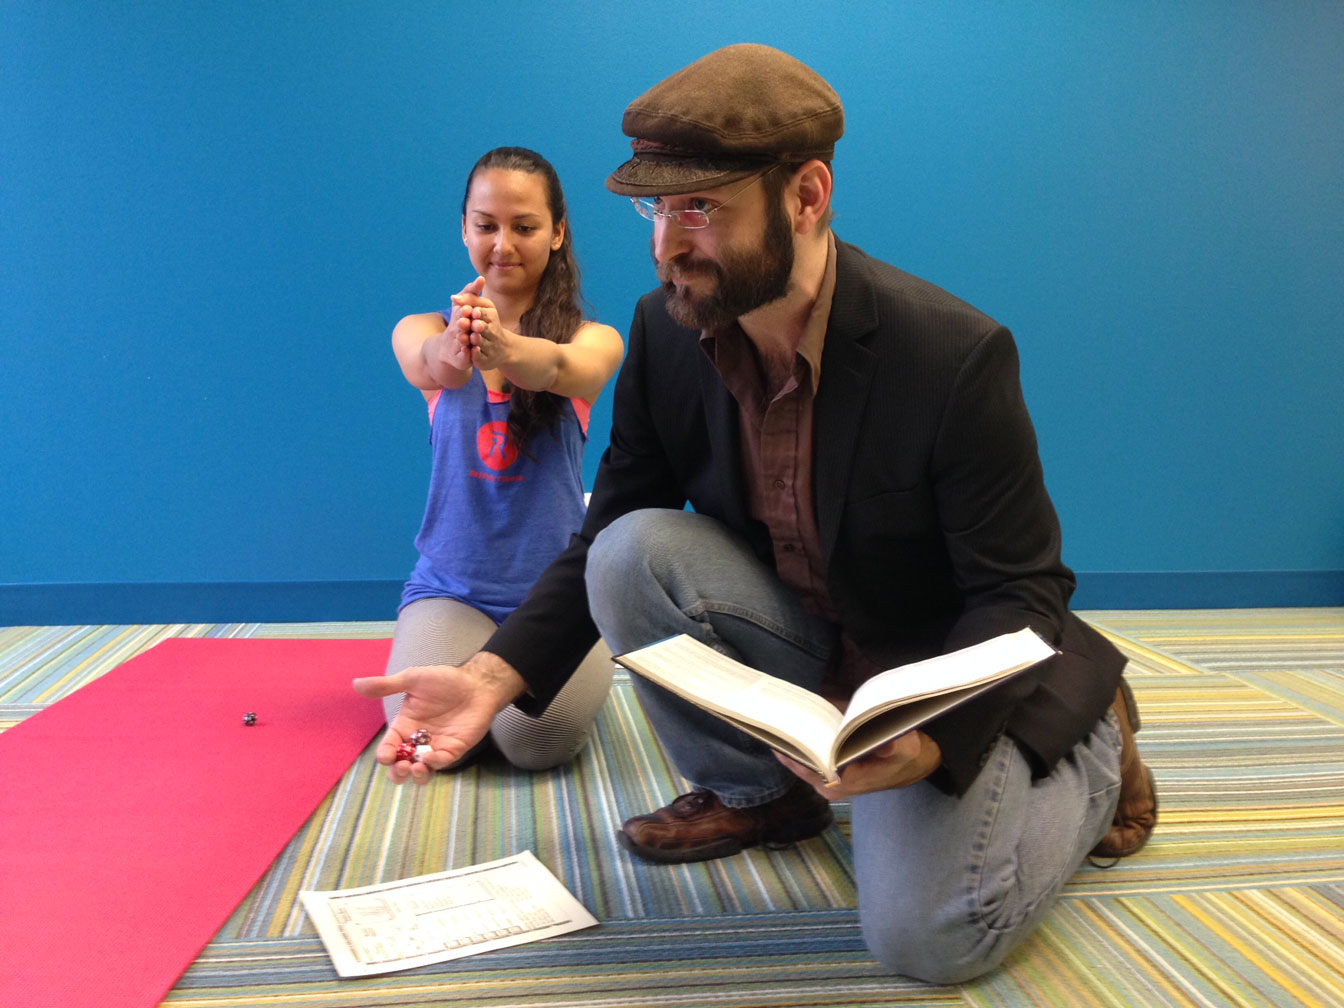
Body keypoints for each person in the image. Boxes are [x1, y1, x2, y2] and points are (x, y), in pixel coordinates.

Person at [355, 48, 1156, 983]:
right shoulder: (668, 331)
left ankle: (1097, 743)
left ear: (806, 196)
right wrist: (490, 678)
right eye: (657, 210)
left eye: (700, 208)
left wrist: (931, 741)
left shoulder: (951, 355)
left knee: (930, 941)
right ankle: (762, 794)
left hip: (926, 670)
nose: (667, 244)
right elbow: (610, 526)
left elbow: (1022, 590)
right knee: (630, 550)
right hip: (807, 632)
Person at [371, 146, 623, 772]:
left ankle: (540, 682)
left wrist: (503, 347)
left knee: (533, 741)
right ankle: (474, 678)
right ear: (464, 228)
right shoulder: (419, 327)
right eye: (486, 225)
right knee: (426, 735)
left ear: (557, 233)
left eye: (525, 226)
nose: (503, 244)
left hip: (557, 600)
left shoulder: (593, 338)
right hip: (450, 592)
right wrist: (457, 350)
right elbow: (432, 366)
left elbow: (561, 368)